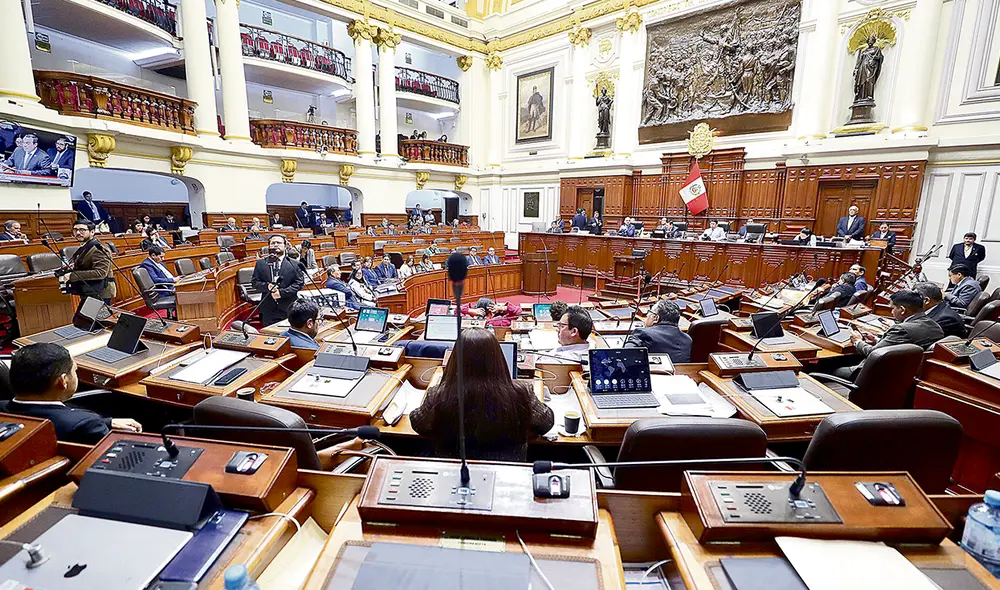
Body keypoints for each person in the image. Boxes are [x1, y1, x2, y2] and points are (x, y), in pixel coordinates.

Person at [410, 329, 554, 462]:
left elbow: (418, 424)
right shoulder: (521, 392)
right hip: (507, 472)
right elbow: (546, 423)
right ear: (498, 358)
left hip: (454, 473)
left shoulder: (438, 394)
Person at [0, 343, 142, 444]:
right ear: (63, 381)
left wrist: (107, 422)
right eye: (74, 370)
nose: (75, 374)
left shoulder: (2, 409)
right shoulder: (86, 425)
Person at [838, 290, 944, 380]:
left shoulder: (901, 329)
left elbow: (873, 353)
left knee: (827, 367)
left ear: (902, 310)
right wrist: (875, 340)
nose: (891, 312)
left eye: (892, 308)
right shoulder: (935, 326)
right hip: (904, 373)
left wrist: (857, 341)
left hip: (876, 374)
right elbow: (901, 346)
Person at [250, 235, 305, 326]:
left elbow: (299, 283)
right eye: (273, 243)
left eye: (279, 243)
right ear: (269, 246)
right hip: (268, 308)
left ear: (285, 245)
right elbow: (255, 283)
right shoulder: (261, 263)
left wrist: (282, 293)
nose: (275, 245)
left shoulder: (294, 264)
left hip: (289, 307)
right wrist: (267, 286)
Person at [59, 220, 116, 303]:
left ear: (92, 232)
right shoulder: (86, 247)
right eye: (75, 230)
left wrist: (72, 275)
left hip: (100, 293)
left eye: (82, 230)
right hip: (90, 291)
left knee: (87, 316)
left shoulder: (98, 249)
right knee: (88, 316)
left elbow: (100, 273)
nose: (78, 233)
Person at [624, 299, 692, 363]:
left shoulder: (643, 333)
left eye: (649, 312)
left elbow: (626, 354)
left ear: (656, 318)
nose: (647, 315)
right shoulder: (688, 339)